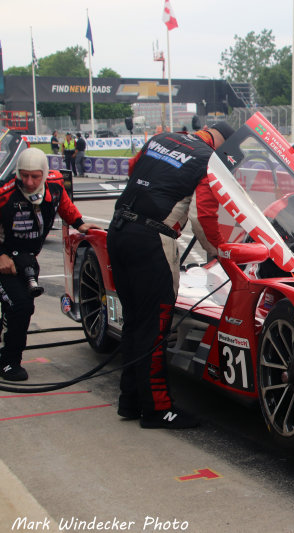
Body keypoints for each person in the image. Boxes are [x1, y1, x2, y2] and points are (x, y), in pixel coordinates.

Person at [107, 122, 234, 429]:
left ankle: (130, 400)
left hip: (118, 230)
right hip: (151, 241)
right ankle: (157, 409)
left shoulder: (160, 137)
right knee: (154, 328)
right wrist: (222, 253)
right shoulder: (209, 160)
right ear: (224, 145)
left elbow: (134, 169)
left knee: (135, 322)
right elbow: (201, 216)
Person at [0, 148, 101, 381]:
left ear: (44, 174)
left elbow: (64, 205)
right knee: (20, 306)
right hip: (4, 259)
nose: (29, 181)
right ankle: (8, 362)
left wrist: (80, 224)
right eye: (24, 176)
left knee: (21, 306)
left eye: (35, 176)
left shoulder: (55, 184)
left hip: (26, 259)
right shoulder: (4, 194)